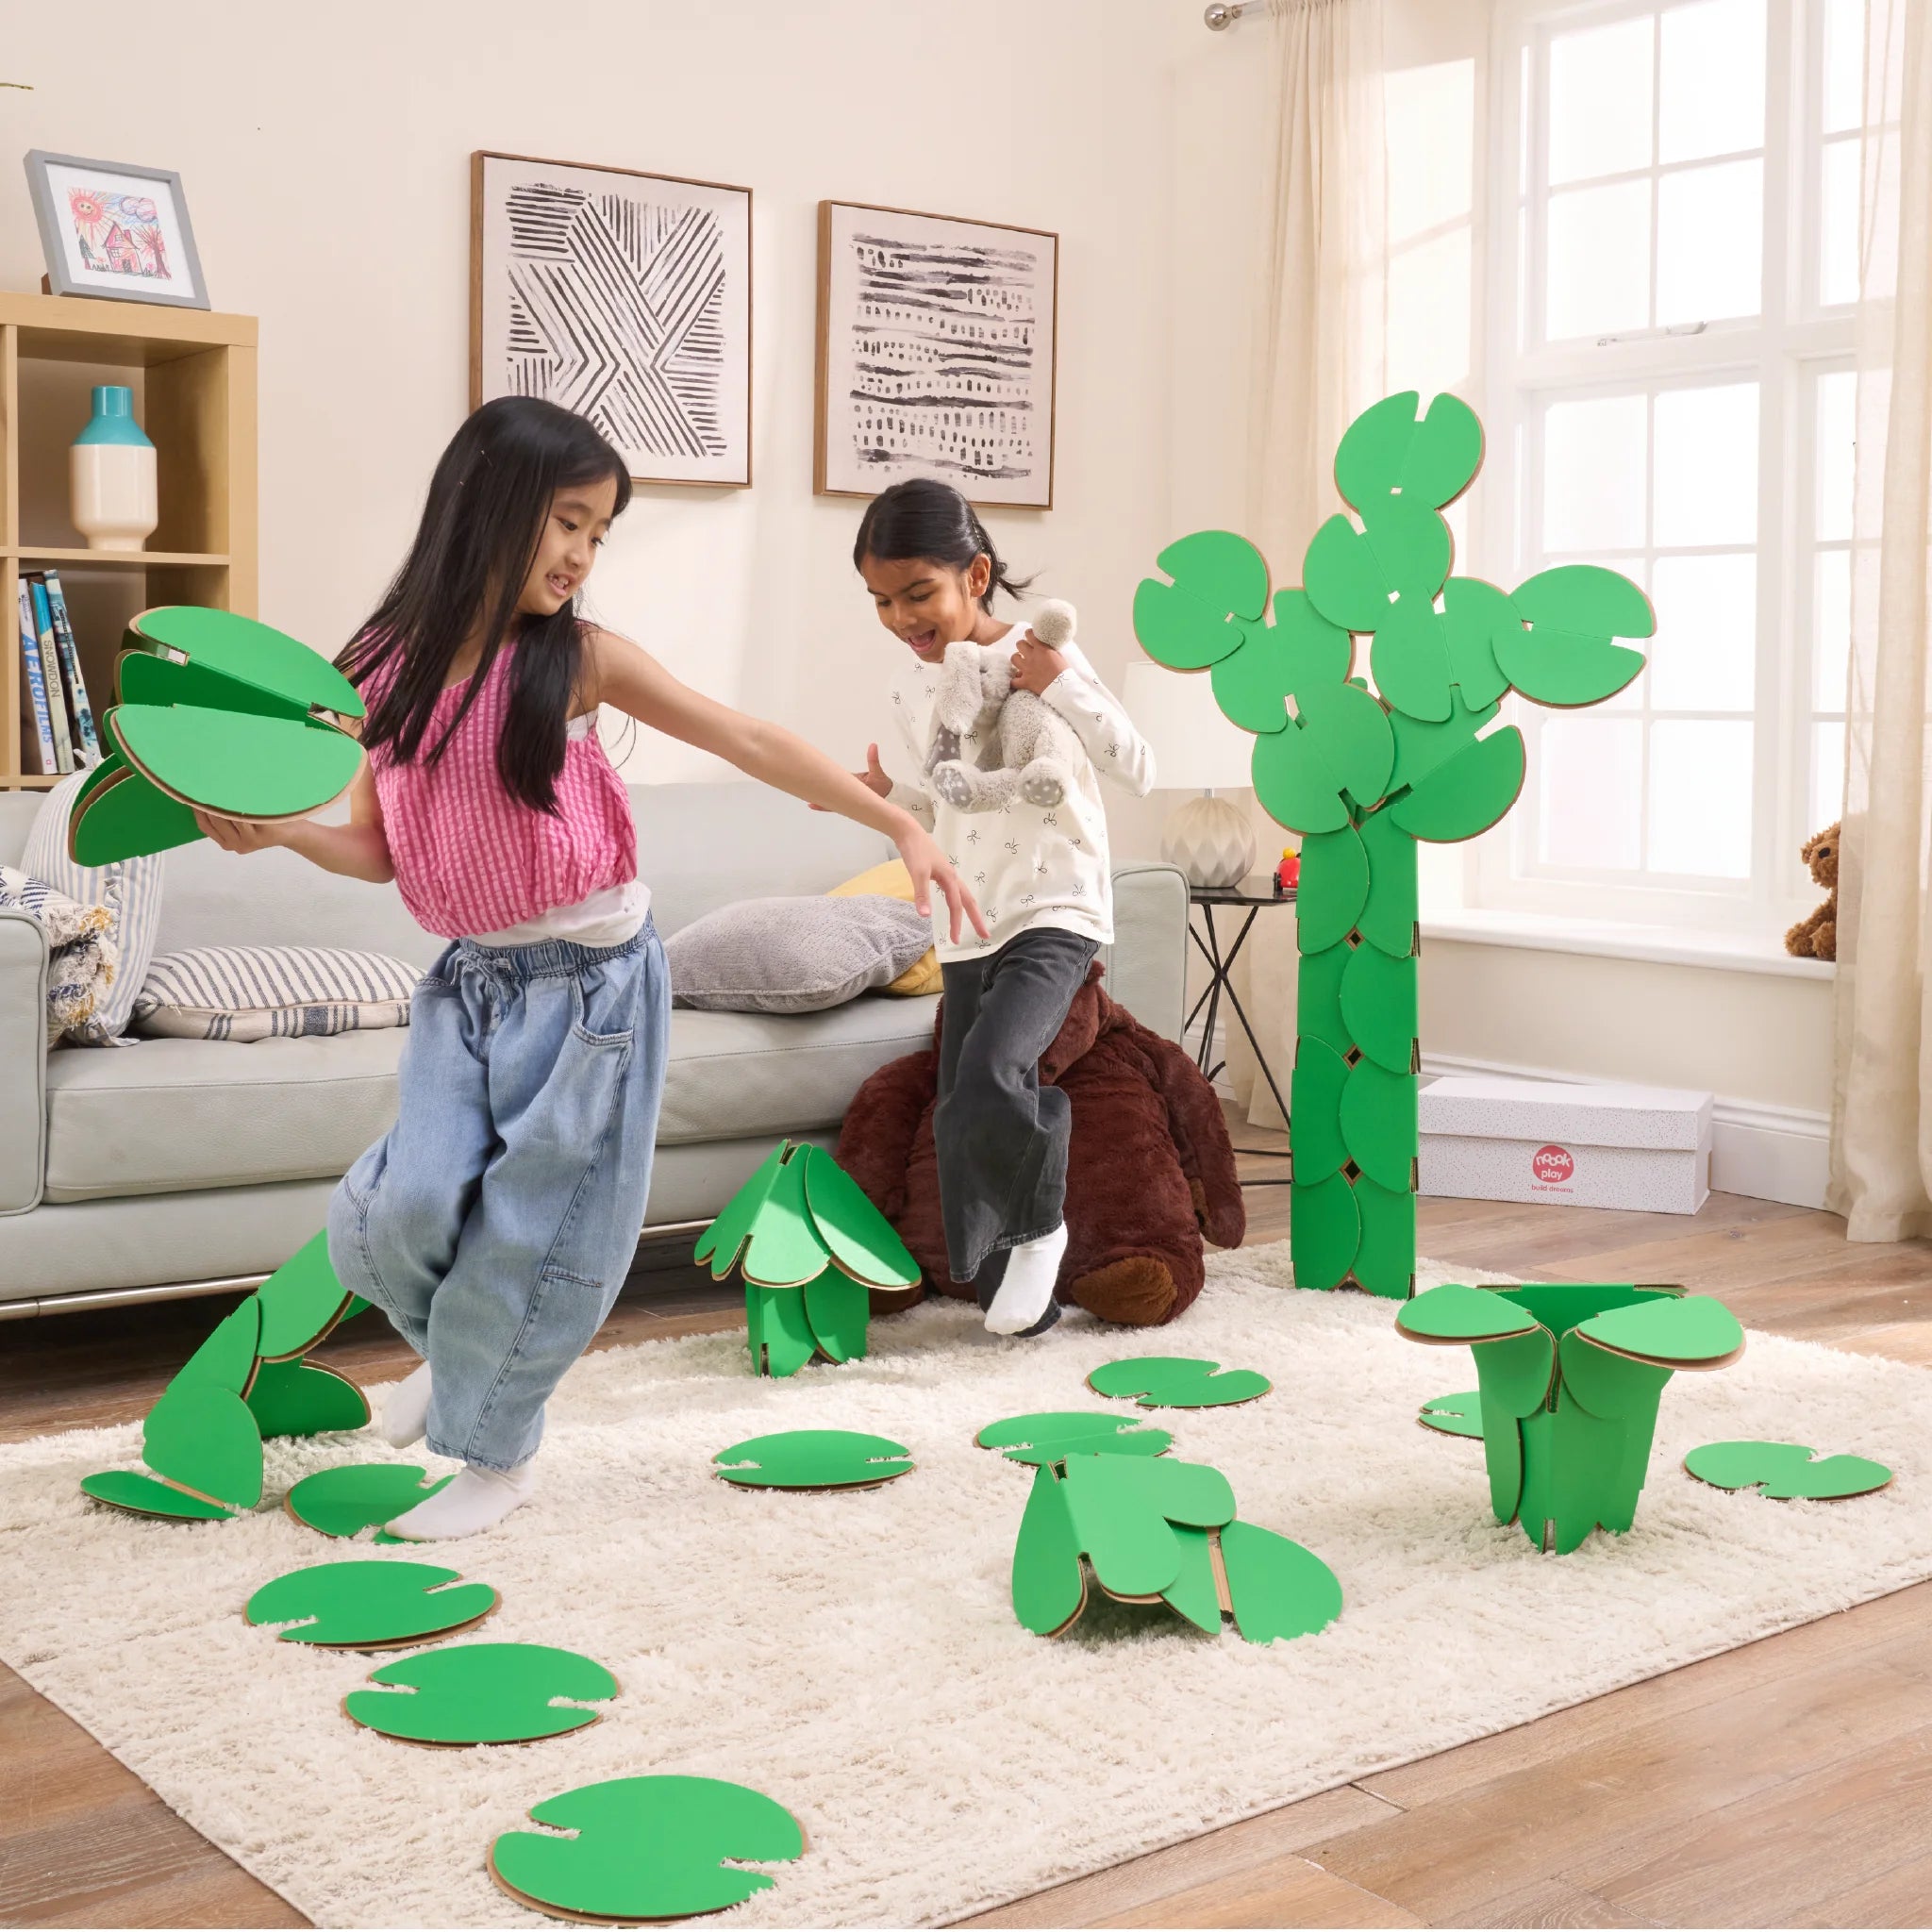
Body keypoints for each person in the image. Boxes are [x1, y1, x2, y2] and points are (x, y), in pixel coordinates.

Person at [195, 399, 983, 1539]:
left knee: (535, 1230)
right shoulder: (379, 664)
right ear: (485, 506)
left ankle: (495, 1455)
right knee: (396, 1213)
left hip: (593, 991)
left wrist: (899, 825)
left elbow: (747, 738)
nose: (580, 555)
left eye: (599, 532)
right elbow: (379, 849)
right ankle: (466, 1367)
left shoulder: (575, 660)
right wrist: (283, 834)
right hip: (468, 986)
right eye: (566, 522)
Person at [849, 477, 1153, 1338]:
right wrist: (883, 795)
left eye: (918, 593)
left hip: (1056, 902)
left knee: (992, 1071)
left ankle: (1041, 1227)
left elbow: (1138, 765)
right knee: (959, 1111)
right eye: (880, 600)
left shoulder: (1041, 652)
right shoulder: (915, 689)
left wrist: (1060, 685)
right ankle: (1020, 1293)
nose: (902, 617)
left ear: (975, 574)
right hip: (968, 918)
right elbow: (956, 799)